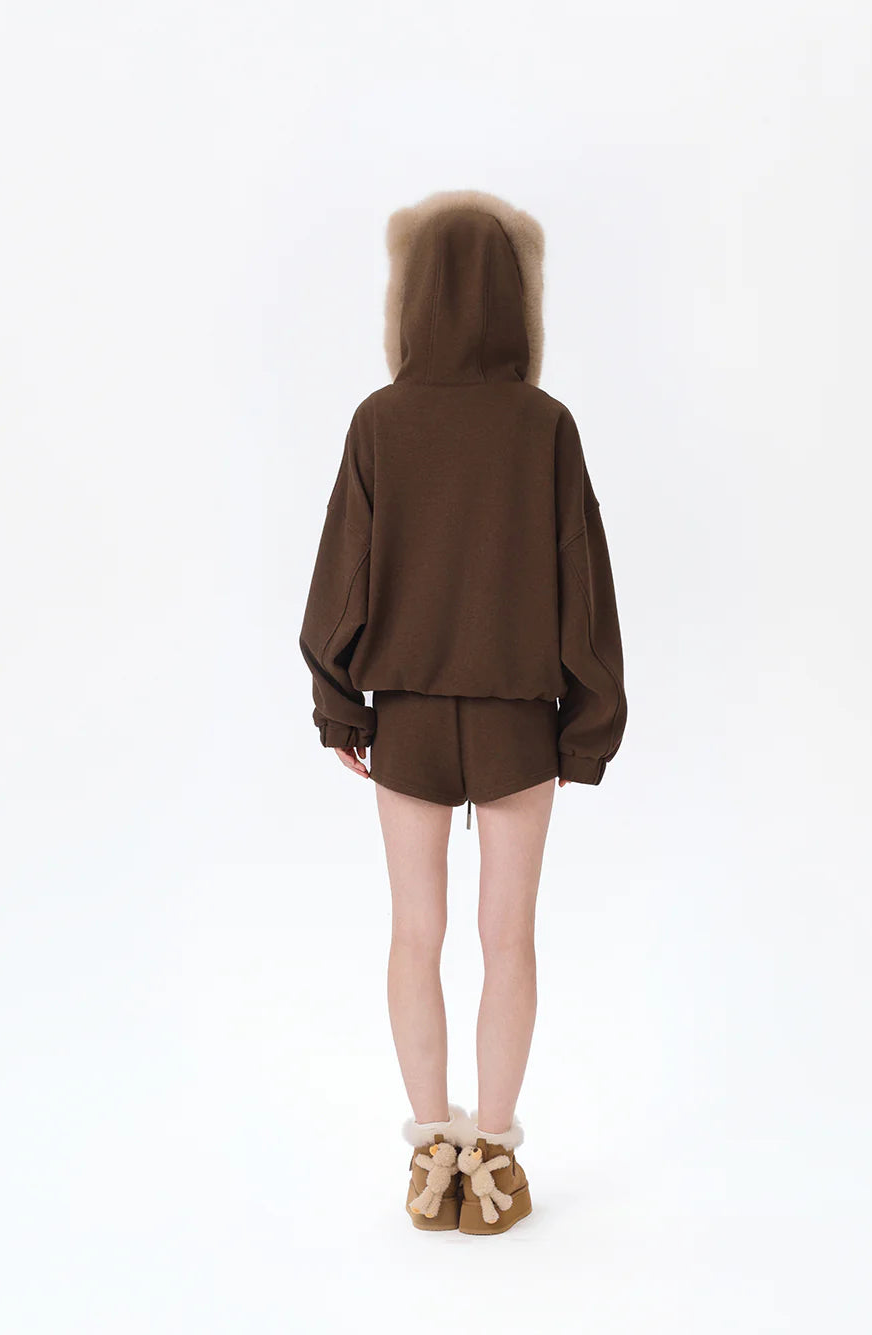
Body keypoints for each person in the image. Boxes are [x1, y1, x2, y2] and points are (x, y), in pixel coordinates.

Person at [299, 190, 627, 1234]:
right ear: (518, 298)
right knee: (508, 938)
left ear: (410, 297)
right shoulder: (545, 425)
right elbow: (584, 584)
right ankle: (494, 1161)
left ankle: (429, 1157)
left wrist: (339, 704)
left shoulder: (380, 421)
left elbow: (340, 576)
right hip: (519, 719)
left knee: (415, 933)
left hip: (404, 713)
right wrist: (589, 726)